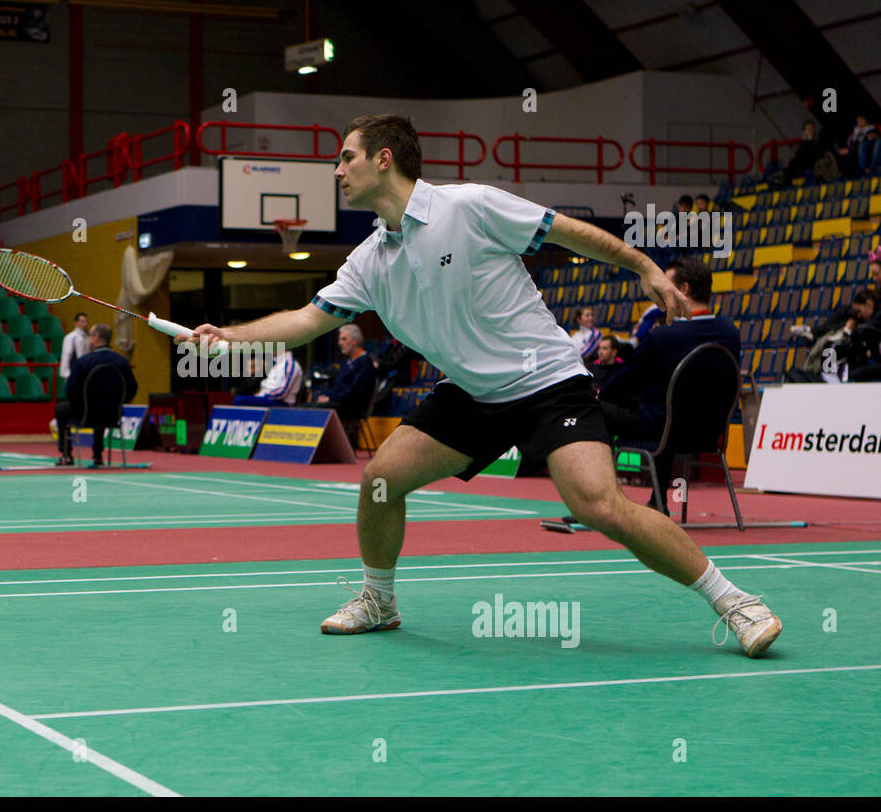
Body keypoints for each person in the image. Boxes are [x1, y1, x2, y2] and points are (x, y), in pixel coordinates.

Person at [181, 113, 780, 657]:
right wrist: (232, 336)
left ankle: (735, 602)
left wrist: (646, 266)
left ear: (384, 158)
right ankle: (378, 601)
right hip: (472, 393)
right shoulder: (368, 260)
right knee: (382, 480)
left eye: (347, 157)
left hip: (548, 381)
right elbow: (309, 319)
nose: (337, 169)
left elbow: (570, 233)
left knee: (597, 504)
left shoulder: (468, 206)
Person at [598, 258, 740, 511]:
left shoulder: (664, 335)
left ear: (683, 289)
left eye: (666, 284)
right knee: (670, 406)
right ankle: (657, 501)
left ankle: (603, 504)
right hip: (710, 433)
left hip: (661, 430)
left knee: (596, 407)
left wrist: (602, 392)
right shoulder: (730, 332)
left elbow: (621, 384)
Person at [54, 323, 137, 466]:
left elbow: (71, 391)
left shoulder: (83, 362)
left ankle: (66, 454)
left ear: (96, 338)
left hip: (86, 413)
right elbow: (133, 387)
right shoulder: (122, 362)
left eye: (90, 336)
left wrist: (83, 406)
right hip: (112, 414)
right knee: (102, 405)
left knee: (61, 409)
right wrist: (119, 403)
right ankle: (97, 454)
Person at [313, 324, 375, 420]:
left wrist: (330, 398)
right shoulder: (345, 362)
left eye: (344, 339)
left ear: (354, 341)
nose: (340, 343)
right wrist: (326, 396)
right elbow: (337, 386)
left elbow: (355, 392)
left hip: (351, 407)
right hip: (337, 403)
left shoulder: (365, 362)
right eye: (339, 339)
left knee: (312, 410)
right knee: (302, 408)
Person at [232, 347, 302, 406]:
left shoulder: (289, 364)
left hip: (281, 403)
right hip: (270, 399)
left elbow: (281, 392)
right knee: (240, 398)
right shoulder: (279, 364)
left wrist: (261, 396)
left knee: (240, 400)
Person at [59, 312, 90, 380]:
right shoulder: (70, 337)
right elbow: (66, 356)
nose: (85, 324)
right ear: (76, 323)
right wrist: (67, 375)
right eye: (82, 322)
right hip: (73, 372)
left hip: (85, 372)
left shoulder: (87, 337)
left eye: (86, 321)